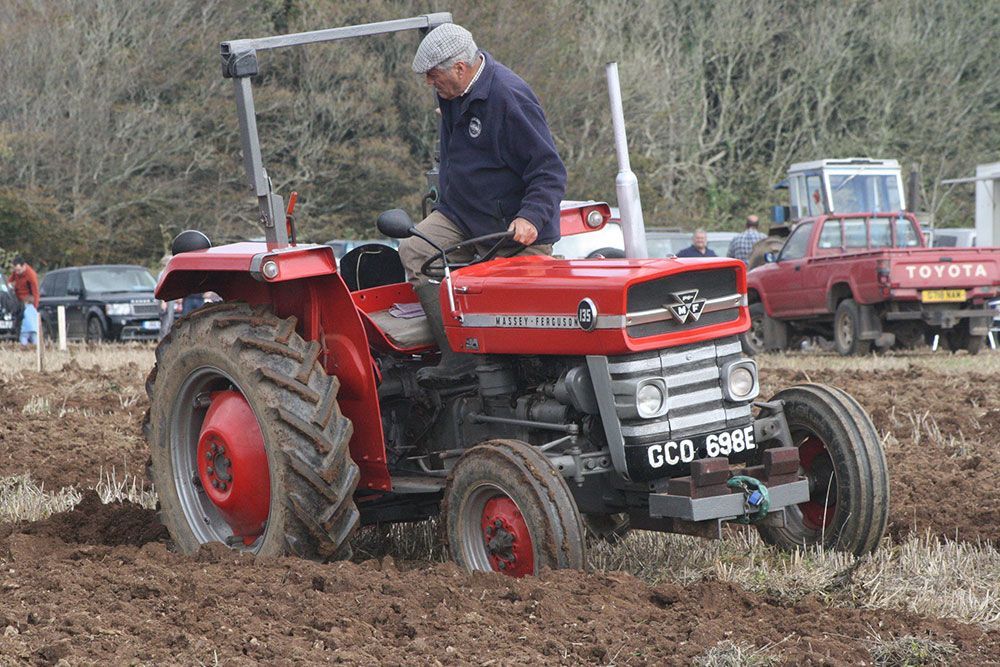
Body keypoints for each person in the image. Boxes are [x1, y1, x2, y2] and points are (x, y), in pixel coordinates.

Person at [400, 23, 567, 386]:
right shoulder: (451, 94)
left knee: (522, 319)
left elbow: (549, 170)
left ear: (460, 68)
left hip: (511, 229)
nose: (430, 83)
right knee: (415, 249)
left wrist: (531, 217)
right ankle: (457, 358)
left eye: (433, 75)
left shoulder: (509, 98)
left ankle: (530, 383)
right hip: (462, 215)